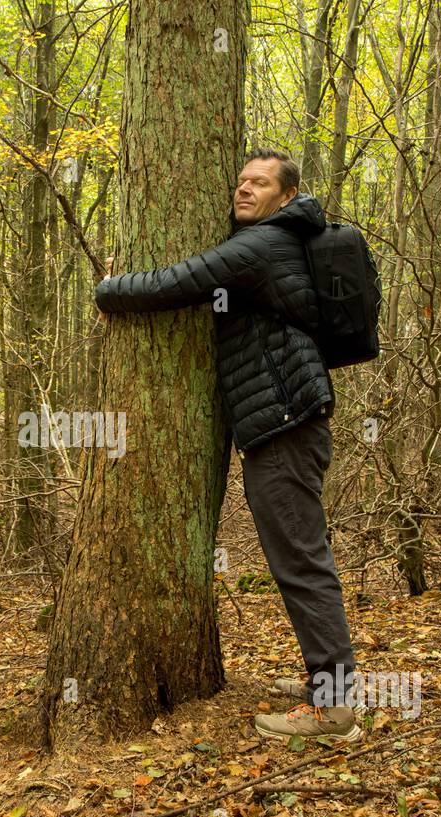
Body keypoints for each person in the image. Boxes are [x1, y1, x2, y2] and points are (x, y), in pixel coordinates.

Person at [93, 147, 362, 743]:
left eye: (259, 183)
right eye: (241, 181)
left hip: (286, 425)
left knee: (301, 562)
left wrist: (108, 289)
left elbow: (179, 281)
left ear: (286, 196)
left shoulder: (265, 245)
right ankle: (329, 685)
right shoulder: (280, 239)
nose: (244, 190)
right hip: (286, 421)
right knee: (301, 557)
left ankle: (336, 706)